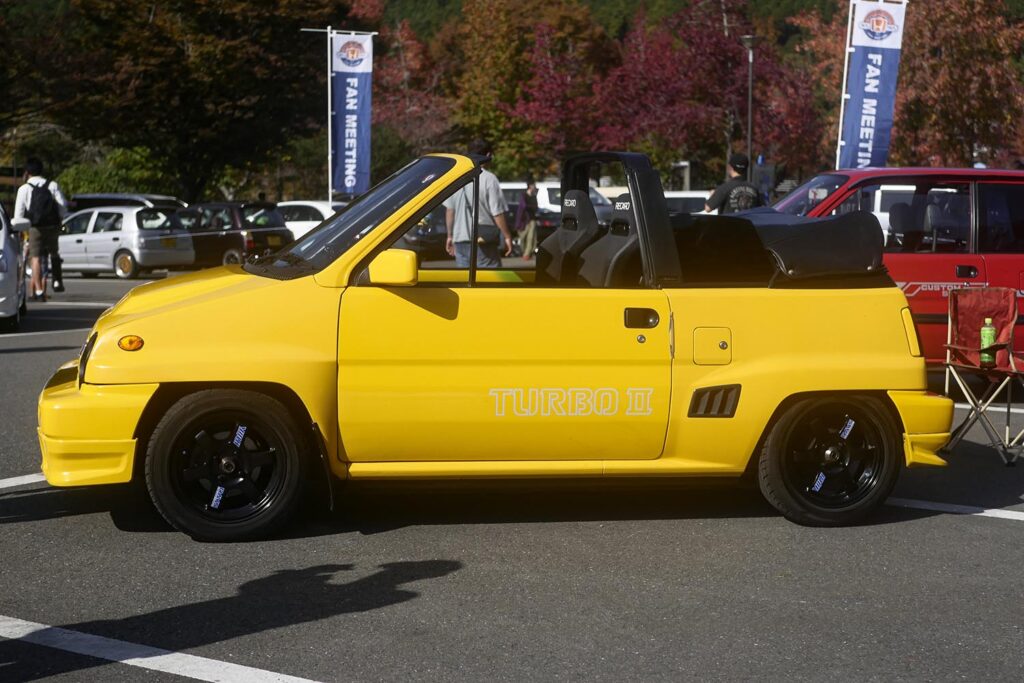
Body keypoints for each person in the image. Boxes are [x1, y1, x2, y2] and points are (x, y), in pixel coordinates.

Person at [444, 139, 512, 268]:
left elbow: (450, 211)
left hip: (460, 239)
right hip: (482, 240)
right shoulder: (489, 179)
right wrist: (507, 236)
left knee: (465, 282)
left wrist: (449, 236)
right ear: (487, 156)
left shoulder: (457, 178)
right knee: (489, 280)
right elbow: (497, 213)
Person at [15, 157, 67, 300]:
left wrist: (20, 230)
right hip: (52, 225)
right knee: (54, 253)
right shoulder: (52, 185)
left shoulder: (24, 189)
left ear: (28, 172)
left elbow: (18, 214)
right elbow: (63, 206)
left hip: (35, 227)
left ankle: (38, 290)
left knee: (35, 258)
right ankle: (57, 281)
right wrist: (60, 220)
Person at [515, 175, 538, 260]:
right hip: (524, 220)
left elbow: (535, 207)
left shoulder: (534, 196)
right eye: (534, 185)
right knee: (523, 237)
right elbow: (523, 207)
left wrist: (529, 207)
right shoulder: (523, 195)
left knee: (531, 237)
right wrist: (529, 207)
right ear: (530, 186)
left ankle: (527, 254)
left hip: (532, 220)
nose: (535, 187)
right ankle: (524, 252)